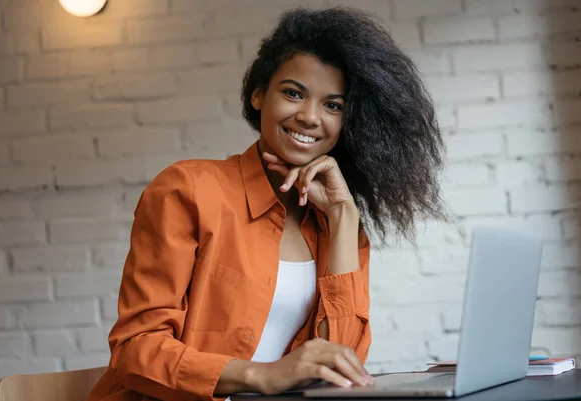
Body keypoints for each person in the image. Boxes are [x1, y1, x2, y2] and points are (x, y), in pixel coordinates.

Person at [86, 6, 447, 401]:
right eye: (293, 93)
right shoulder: (188, 190)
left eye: (333, 105)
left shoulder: (336, 223)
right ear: (259, 95)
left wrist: (344, 218)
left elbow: (342, 362)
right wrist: (262, 375)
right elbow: (135, 350)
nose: (310, 117)